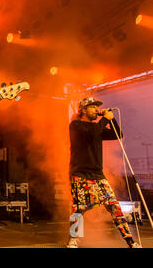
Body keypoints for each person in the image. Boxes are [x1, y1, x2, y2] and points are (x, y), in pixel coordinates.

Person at [66, 97, 141, 248]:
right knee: (79, 208)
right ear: (83, 110)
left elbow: (117, 134)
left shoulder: (97, 128)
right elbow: (92, 133)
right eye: (92, 107)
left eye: (96, 107)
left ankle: (130, 242)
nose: (96, 109)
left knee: (114, 206)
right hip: (80, 174)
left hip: (98, 175)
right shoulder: (76, 125)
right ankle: (74, 239)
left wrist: (112, 120)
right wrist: (104, 120)